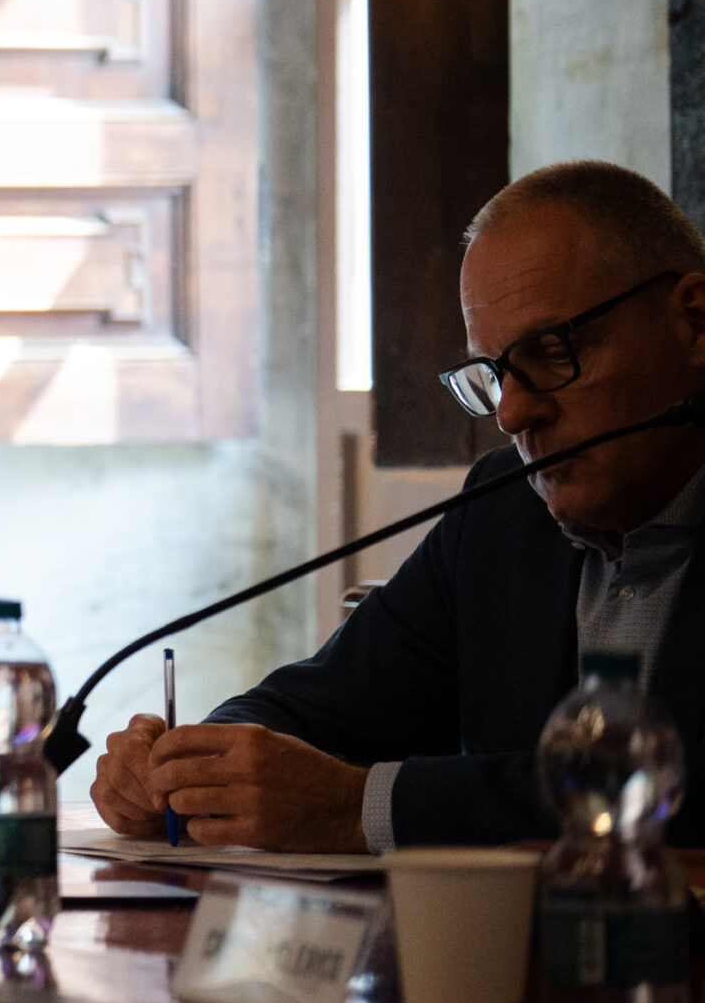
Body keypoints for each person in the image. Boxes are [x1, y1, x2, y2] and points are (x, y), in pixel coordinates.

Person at [90, 160, 705, 852]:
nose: (512, 412)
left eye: (552, 351)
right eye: (494, 374)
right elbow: (319, 709)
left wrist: (358, 807)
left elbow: (673, 794)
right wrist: (191, 774)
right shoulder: (500, 514)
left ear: (694, 322)